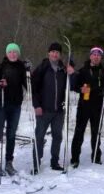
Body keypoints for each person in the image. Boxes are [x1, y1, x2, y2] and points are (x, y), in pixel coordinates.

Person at [70, 46, 104, 168]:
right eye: (94, 54)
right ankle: (75, 158)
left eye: (98, 55)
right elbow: (74, 85)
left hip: (98, 106)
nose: (96, 57)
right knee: (79, 132)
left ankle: (96, 157)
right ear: (90, 56)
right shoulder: (82, 71)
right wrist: (80, 89)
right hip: (84, 105)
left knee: (96, 132)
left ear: (101, 58)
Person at [0, 42, 27, 176]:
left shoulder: (22, 68)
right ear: (6, 53)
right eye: (10, 52)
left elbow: (28, 85)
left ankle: (9, 162)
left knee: (11, 134)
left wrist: (30, 72)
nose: (12, 54)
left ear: (18, 53)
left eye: (15, 52)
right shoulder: (1, 67)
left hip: (15, 106)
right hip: (0, 105)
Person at [31, 42, 75, 172]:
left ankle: (54, 162)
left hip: (59, 111)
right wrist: (37, 105)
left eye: (57, 52)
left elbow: (72, 86)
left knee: (57, 136)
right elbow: (33, 89)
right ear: (48, 53)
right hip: (43, 110)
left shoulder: (63, 69)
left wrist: (72, 73)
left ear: (60, 55)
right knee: (39, 137)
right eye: (53, 51)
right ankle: (36, 163)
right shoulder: (42, 68)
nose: (55, 54)